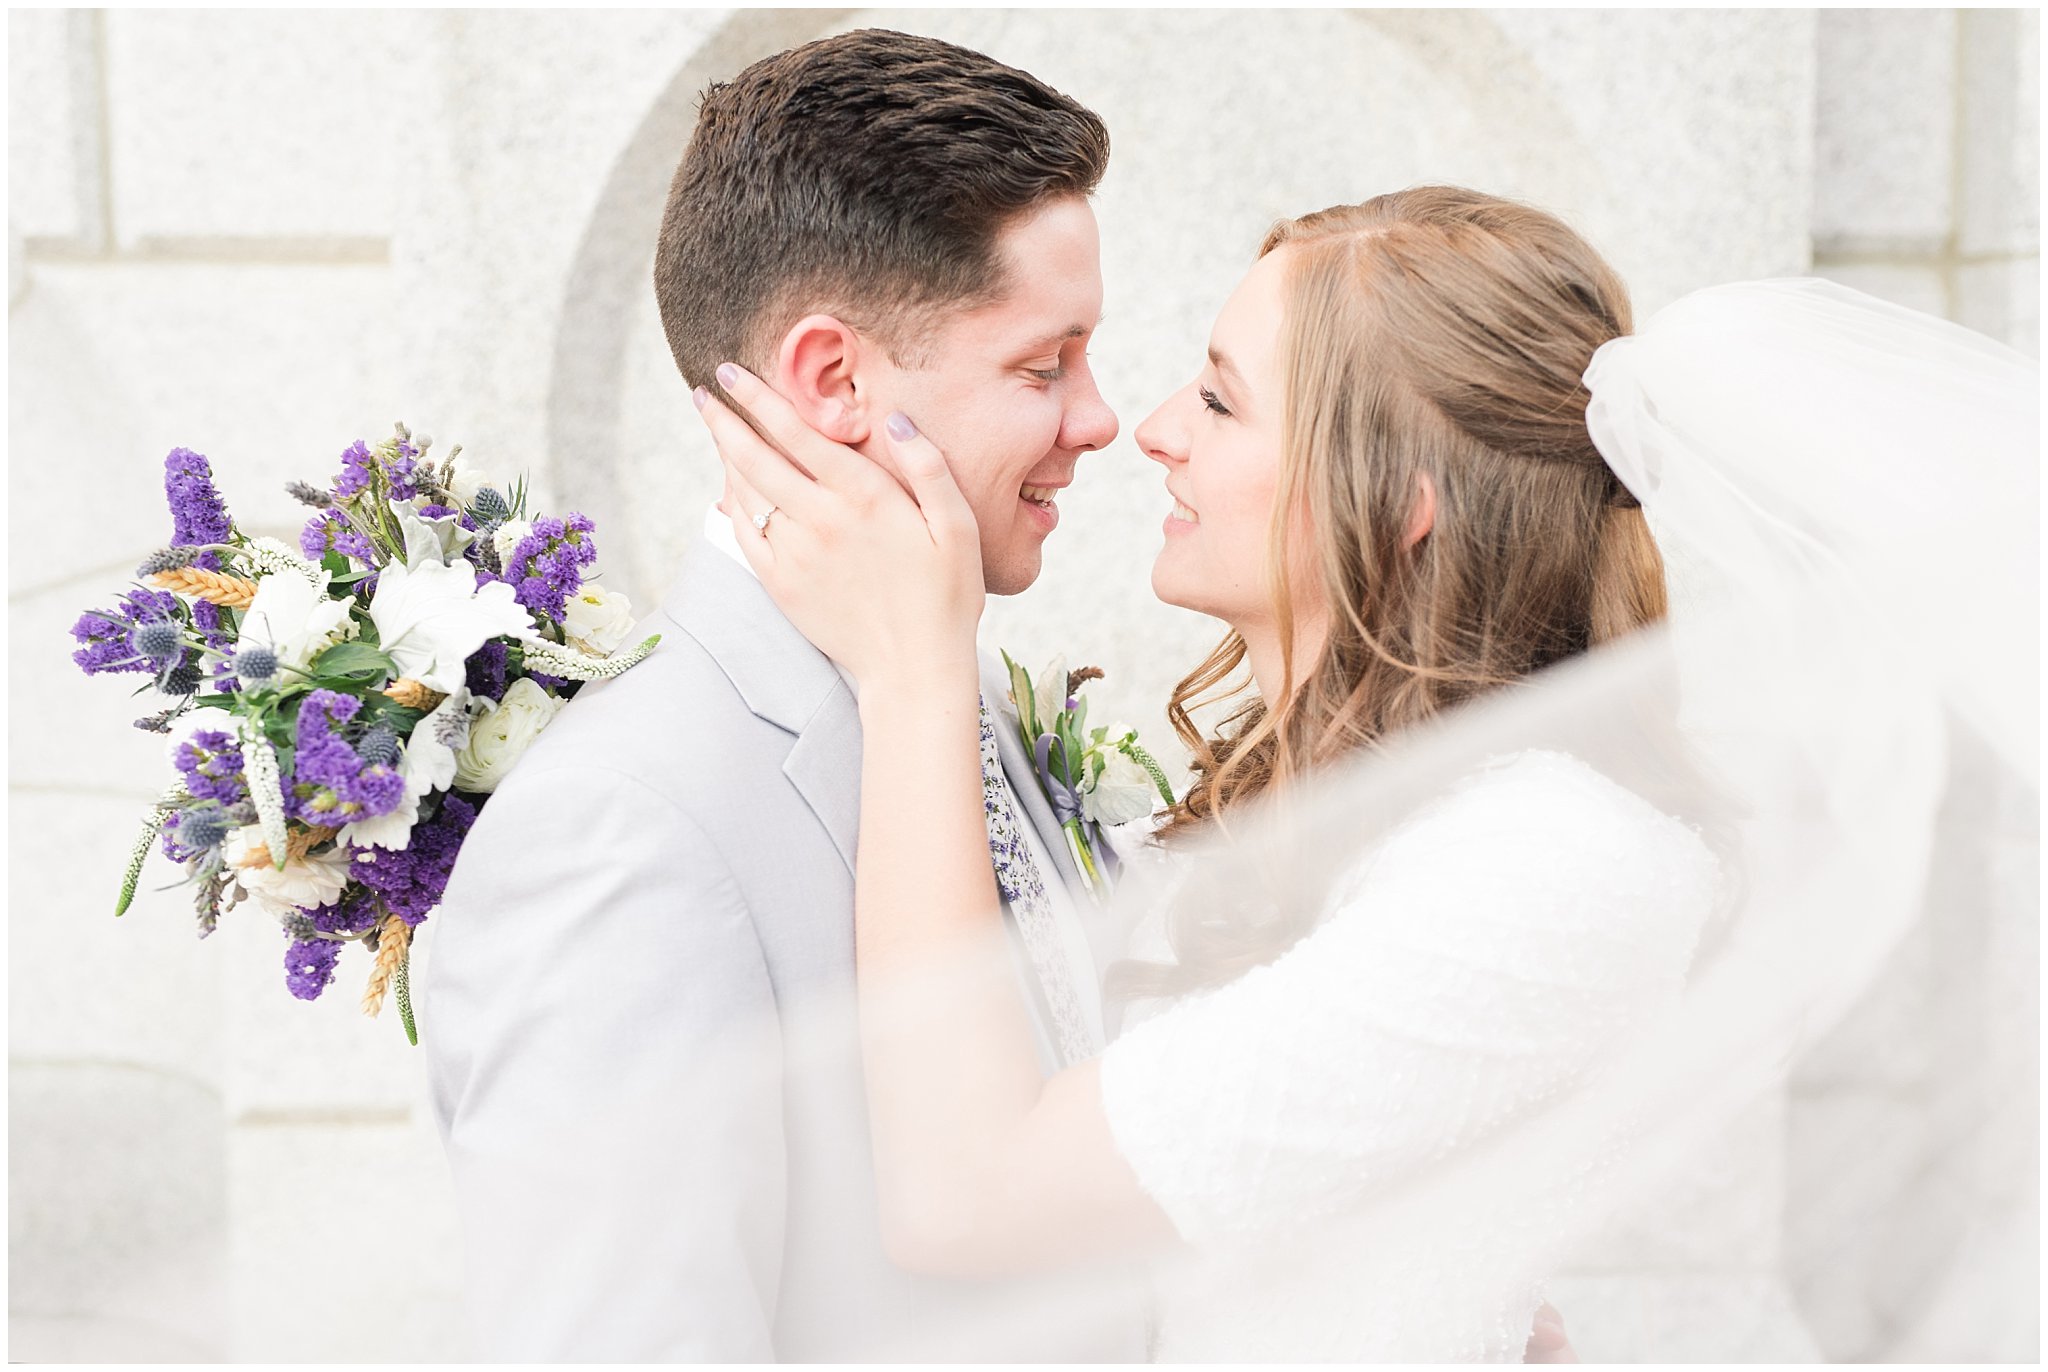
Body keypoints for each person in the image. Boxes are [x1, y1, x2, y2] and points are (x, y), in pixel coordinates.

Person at [698, 187, 1730, 1360]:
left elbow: (968, 1194)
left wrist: (913, 668)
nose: (1151, 428)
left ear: (1398, 498)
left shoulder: (1556, 866)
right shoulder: (1345, 807)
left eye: (1221, 400)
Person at [421, 29, 1137, 1361]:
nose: (1098, 419)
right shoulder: (626, 830)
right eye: (1044, 366)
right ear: (834, 379)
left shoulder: (958, 701)